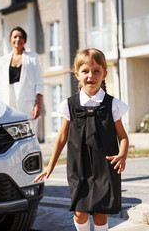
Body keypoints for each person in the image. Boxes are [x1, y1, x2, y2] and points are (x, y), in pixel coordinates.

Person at [34, 48, 129, 231]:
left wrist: (122, 155)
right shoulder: (69, 105)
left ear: (104, 74)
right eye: (85, 71)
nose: (90, 76)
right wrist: (50, 166)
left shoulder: (113, 105)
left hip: (105, 167)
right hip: (78, 167)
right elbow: (61, 137)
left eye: (96, 71)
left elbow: (123, 137)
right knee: (80, 212)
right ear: (77, 74)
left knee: (101, 214)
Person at [0, 26, 43, 132]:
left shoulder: (32, 58)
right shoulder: (2, 61)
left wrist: (38, 105)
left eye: (21, 37)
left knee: (28, 136)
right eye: (15, 37)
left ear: (24, 40)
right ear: (10, 40)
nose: (18, 39)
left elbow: (39, 83)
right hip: (7, 103)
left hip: (27, 104)